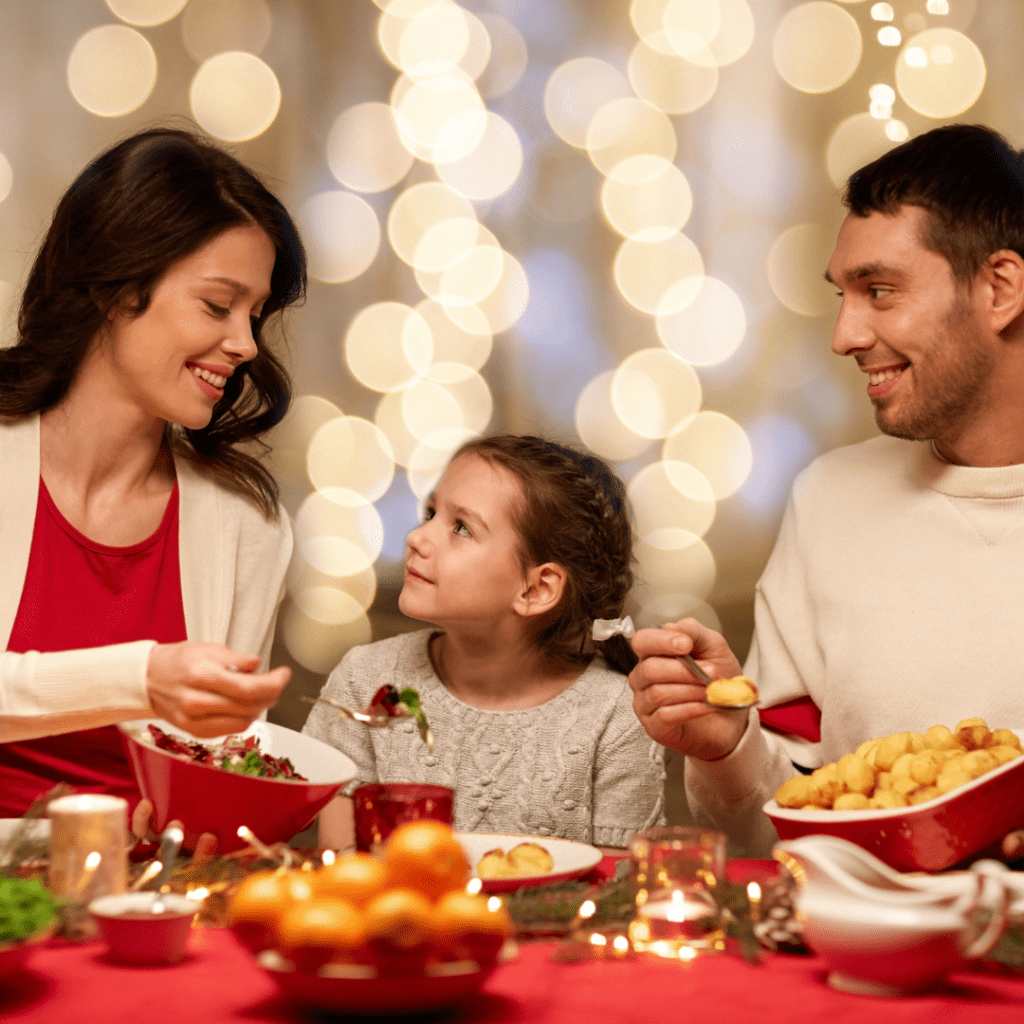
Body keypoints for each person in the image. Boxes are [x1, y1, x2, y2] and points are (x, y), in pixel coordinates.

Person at [628, 123, 1024, 857]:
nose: (844, 334)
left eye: (880, 291)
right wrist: (727, 746)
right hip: (860, 953)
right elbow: (792, 824)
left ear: (999, 288)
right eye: (843, 295)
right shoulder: (828, 502)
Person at [0, 125, 306, 821]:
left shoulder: (247, 523)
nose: (245, 344)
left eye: (255, 313)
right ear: (117, 286)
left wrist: (209, 812)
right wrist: (143, 677)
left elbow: (222, 758)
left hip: (144, 897)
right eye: (216, 304)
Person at [303, 435, 665, 850]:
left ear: (537, 588)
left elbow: (616, 891)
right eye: (431, 513)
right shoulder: (364, 680)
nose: (417, 538)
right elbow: (342, 869)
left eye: (461, 527)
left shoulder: (619, 714)